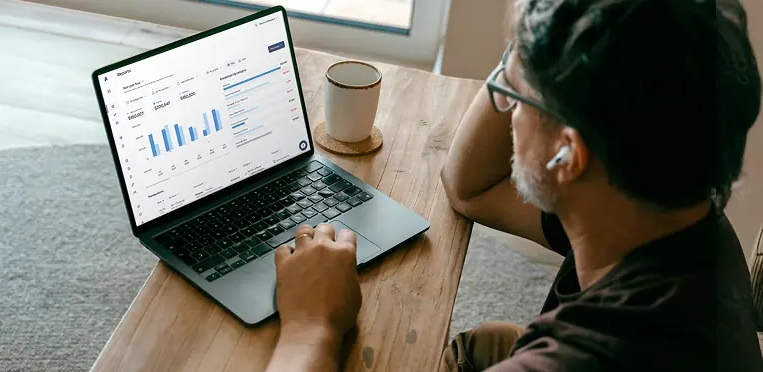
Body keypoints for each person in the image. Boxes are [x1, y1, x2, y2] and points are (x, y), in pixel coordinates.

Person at [262, 0, 763, 371]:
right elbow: (469, 188)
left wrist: (311, 327)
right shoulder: (680, 223)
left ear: (569, 155)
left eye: (514, 96)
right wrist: (542, 32)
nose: (506, 108)